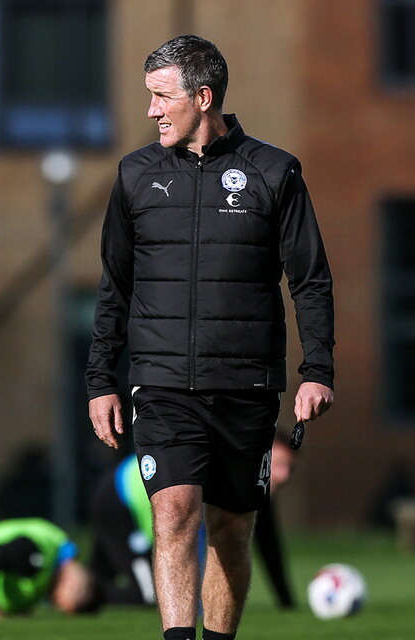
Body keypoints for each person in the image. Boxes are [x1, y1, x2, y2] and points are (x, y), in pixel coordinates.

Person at [86, 35, 334, 640]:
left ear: (202, 97)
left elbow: (310, 280)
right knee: (172, 515)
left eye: (160, 96)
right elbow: (114, 286)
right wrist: (100, 379)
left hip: (246, 385)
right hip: (163, 383)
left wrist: (318, 370)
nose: (150, 111)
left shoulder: (275, 172)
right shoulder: (135, 176)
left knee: (230, 529)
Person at [90, 434, 298, 609]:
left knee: (103, 571)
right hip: (117, 499)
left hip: (129, 498)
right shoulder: (229, 475)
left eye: (290, 468)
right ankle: (84, 593)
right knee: (153, 595)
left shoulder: (256, 488)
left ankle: (83, 585)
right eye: (278, 465)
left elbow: (269, 547)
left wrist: (287, 603)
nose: (284, 475)